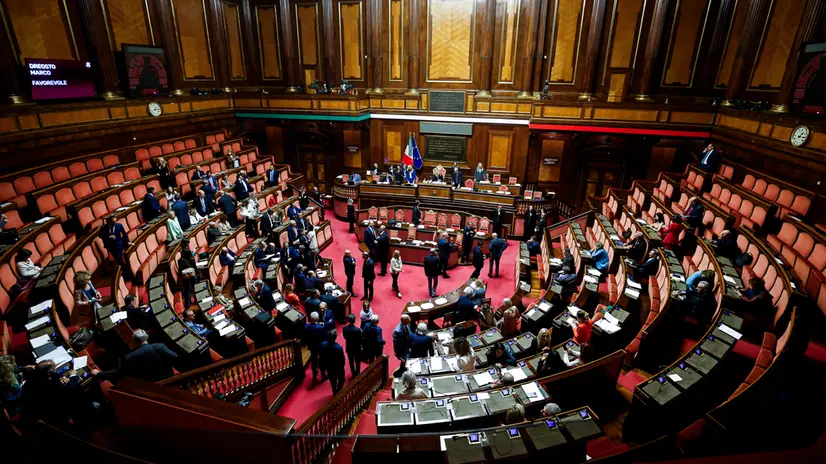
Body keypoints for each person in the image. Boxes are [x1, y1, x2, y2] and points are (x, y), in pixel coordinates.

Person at [93, 329, 177, 382]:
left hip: (149, 387)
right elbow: (174, 357)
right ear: (147, 338)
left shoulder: (128, 358)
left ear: (134, 341)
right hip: (169, 379)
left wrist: (99, 374)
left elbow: (118, 373)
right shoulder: (160, 347)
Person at [303, 313, 328, 380]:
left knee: (313, 359)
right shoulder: (321, 328)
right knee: (322, 359)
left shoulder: (306, 326)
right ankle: (323, 375)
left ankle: (314, 372)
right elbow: (325, 336)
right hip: (320, 346)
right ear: (317, 319)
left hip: (312, 346)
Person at [178, 243, 198, 308]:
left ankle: (188, 304)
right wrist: (196, 274)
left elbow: (180, 269)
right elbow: (195, 267)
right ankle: (197, 300)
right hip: (193, 275)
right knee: (195, 288)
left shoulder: (180, 260)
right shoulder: (192, 259)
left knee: (187, 290)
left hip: (185, 277)